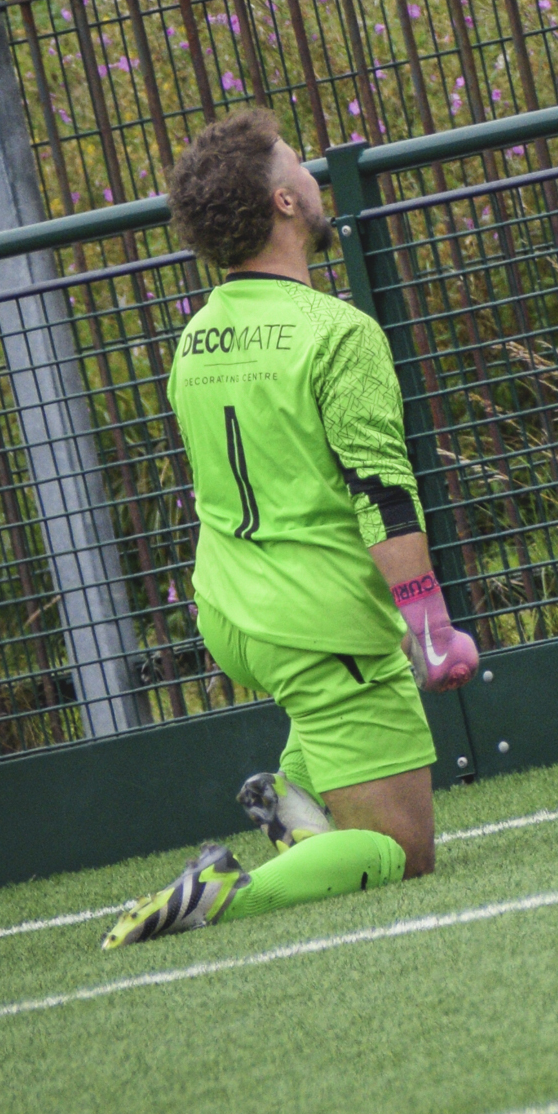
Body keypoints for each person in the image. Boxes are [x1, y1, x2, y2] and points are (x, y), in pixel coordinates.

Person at [103, 107, 479, 949]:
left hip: (232, 609)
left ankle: (295, 801)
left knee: (332, 701)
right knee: (398, 850)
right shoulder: (337, 333)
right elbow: (380, 495)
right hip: (317, 619)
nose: (315, 180)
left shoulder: (196, 337)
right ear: (282, 201)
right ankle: (221, 893)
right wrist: (429, 628)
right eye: (302, 168)